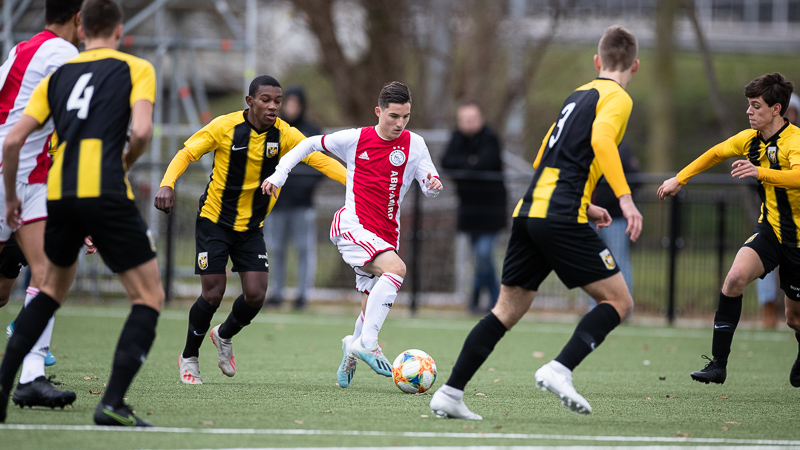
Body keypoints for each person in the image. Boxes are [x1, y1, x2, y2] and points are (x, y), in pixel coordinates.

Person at [429, 25, 642, 419]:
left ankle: (450, 392)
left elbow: (545, 154)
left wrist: (586, 203)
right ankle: (559, 368)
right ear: (635, 66)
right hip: (560, 214)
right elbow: (601, 140)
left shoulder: (577, 95)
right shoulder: (618, 97)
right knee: (618, 301)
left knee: (506, 310)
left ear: (597, 62)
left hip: (530, 210)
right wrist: (625, 201)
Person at [0, 0, 164, 427]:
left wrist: (11, 197)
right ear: (119, 29)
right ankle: (111, 403)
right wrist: (127, 161)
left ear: (83, 26)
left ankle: (5, 388)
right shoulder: (136, 67)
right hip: (105, 188)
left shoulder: (56, 73)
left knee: (48, 288)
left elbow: (13, 140)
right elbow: (142, 131)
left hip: (55, 191)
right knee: (148, 297)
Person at [154, 76, 345, 386]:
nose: (273, 106)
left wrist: (357, 184)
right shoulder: (224, 127)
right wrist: (167, 183)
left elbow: (319, 160)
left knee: (256, 295)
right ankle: (189, 356)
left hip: (251, 227)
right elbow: (187, 153)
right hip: (214, 220)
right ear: (250, 101)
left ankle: (223, 334)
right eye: (266, 99)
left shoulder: (284, 134)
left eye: (277, 101)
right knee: (213, 292)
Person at [262, 81, 443, 389]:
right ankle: (368, 344)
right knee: (397, 270)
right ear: (379, 112)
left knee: (369, 305)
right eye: (394, 116)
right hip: (353, 227)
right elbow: (308, 145)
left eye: (406, 117)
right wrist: (279, 175)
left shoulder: (416, 144)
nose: (400, 123)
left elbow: (429, 183)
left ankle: (352, 347)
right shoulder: (356, 139)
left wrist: (432, 185)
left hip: (387, 236)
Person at [658, 73, 800, 388]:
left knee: (793, 318)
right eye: (748, 105)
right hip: (772, 231)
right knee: (734, 279)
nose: (749, 112)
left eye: (756, 106)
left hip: (799, 242)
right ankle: (718, 365)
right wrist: (679, 178)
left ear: (776, 110)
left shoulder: (795, 141)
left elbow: (798, 177)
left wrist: (759, 171)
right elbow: (716, 153)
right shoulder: (749, 139)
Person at [0, 0, 83, 412]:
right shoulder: (63, 53)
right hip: (8, 171)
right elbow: (74, 125)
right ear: (78, 19)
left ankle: (31, 378)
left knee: (49, 270)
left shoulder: (23, 47)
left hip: (28, 174)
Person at [441, 100, 507, 314]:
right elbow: (447, 162)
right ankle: (489, 301)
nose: (468, 124)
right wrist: (469, 162)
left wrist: (467, 165)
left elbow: (485, 163)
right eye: (464, 120)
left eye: (472, 119)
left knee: (484, 254)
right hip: (469, 211)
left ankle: (487, 298)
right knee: (479, 257)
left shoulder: (490, 137)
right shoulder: (457, 138)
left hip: (491, 211)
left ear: (480, 119)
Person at [263, 86, 324, 310]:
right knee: (276, 249)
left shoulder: (312, 131)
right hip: (276, 203)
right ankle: (276, 292)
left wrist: (301, 189)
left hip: (302, 204)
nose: (291, 108)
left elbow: (319, 167)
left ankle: (302, 295)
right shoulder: (273, 130)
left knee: (303, 249)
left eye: (295, 103)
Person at [756, 92, 800, 329]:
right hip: (773, 218)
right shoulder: (761, 140)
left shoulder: (796, 141)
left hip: (796, 222)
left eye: (791, 112)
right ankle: (767, 307)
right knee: (761, 262)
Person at [592, 140, 639, 299]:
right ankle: (597, 307)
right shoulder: (588, 145)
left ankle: (623, 307)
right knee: (594, 262)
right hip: (589, 216)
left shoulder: (621, 148)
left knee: (619, 262)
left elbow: (635, 179)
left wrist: (619, 201)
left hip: (614, 218)